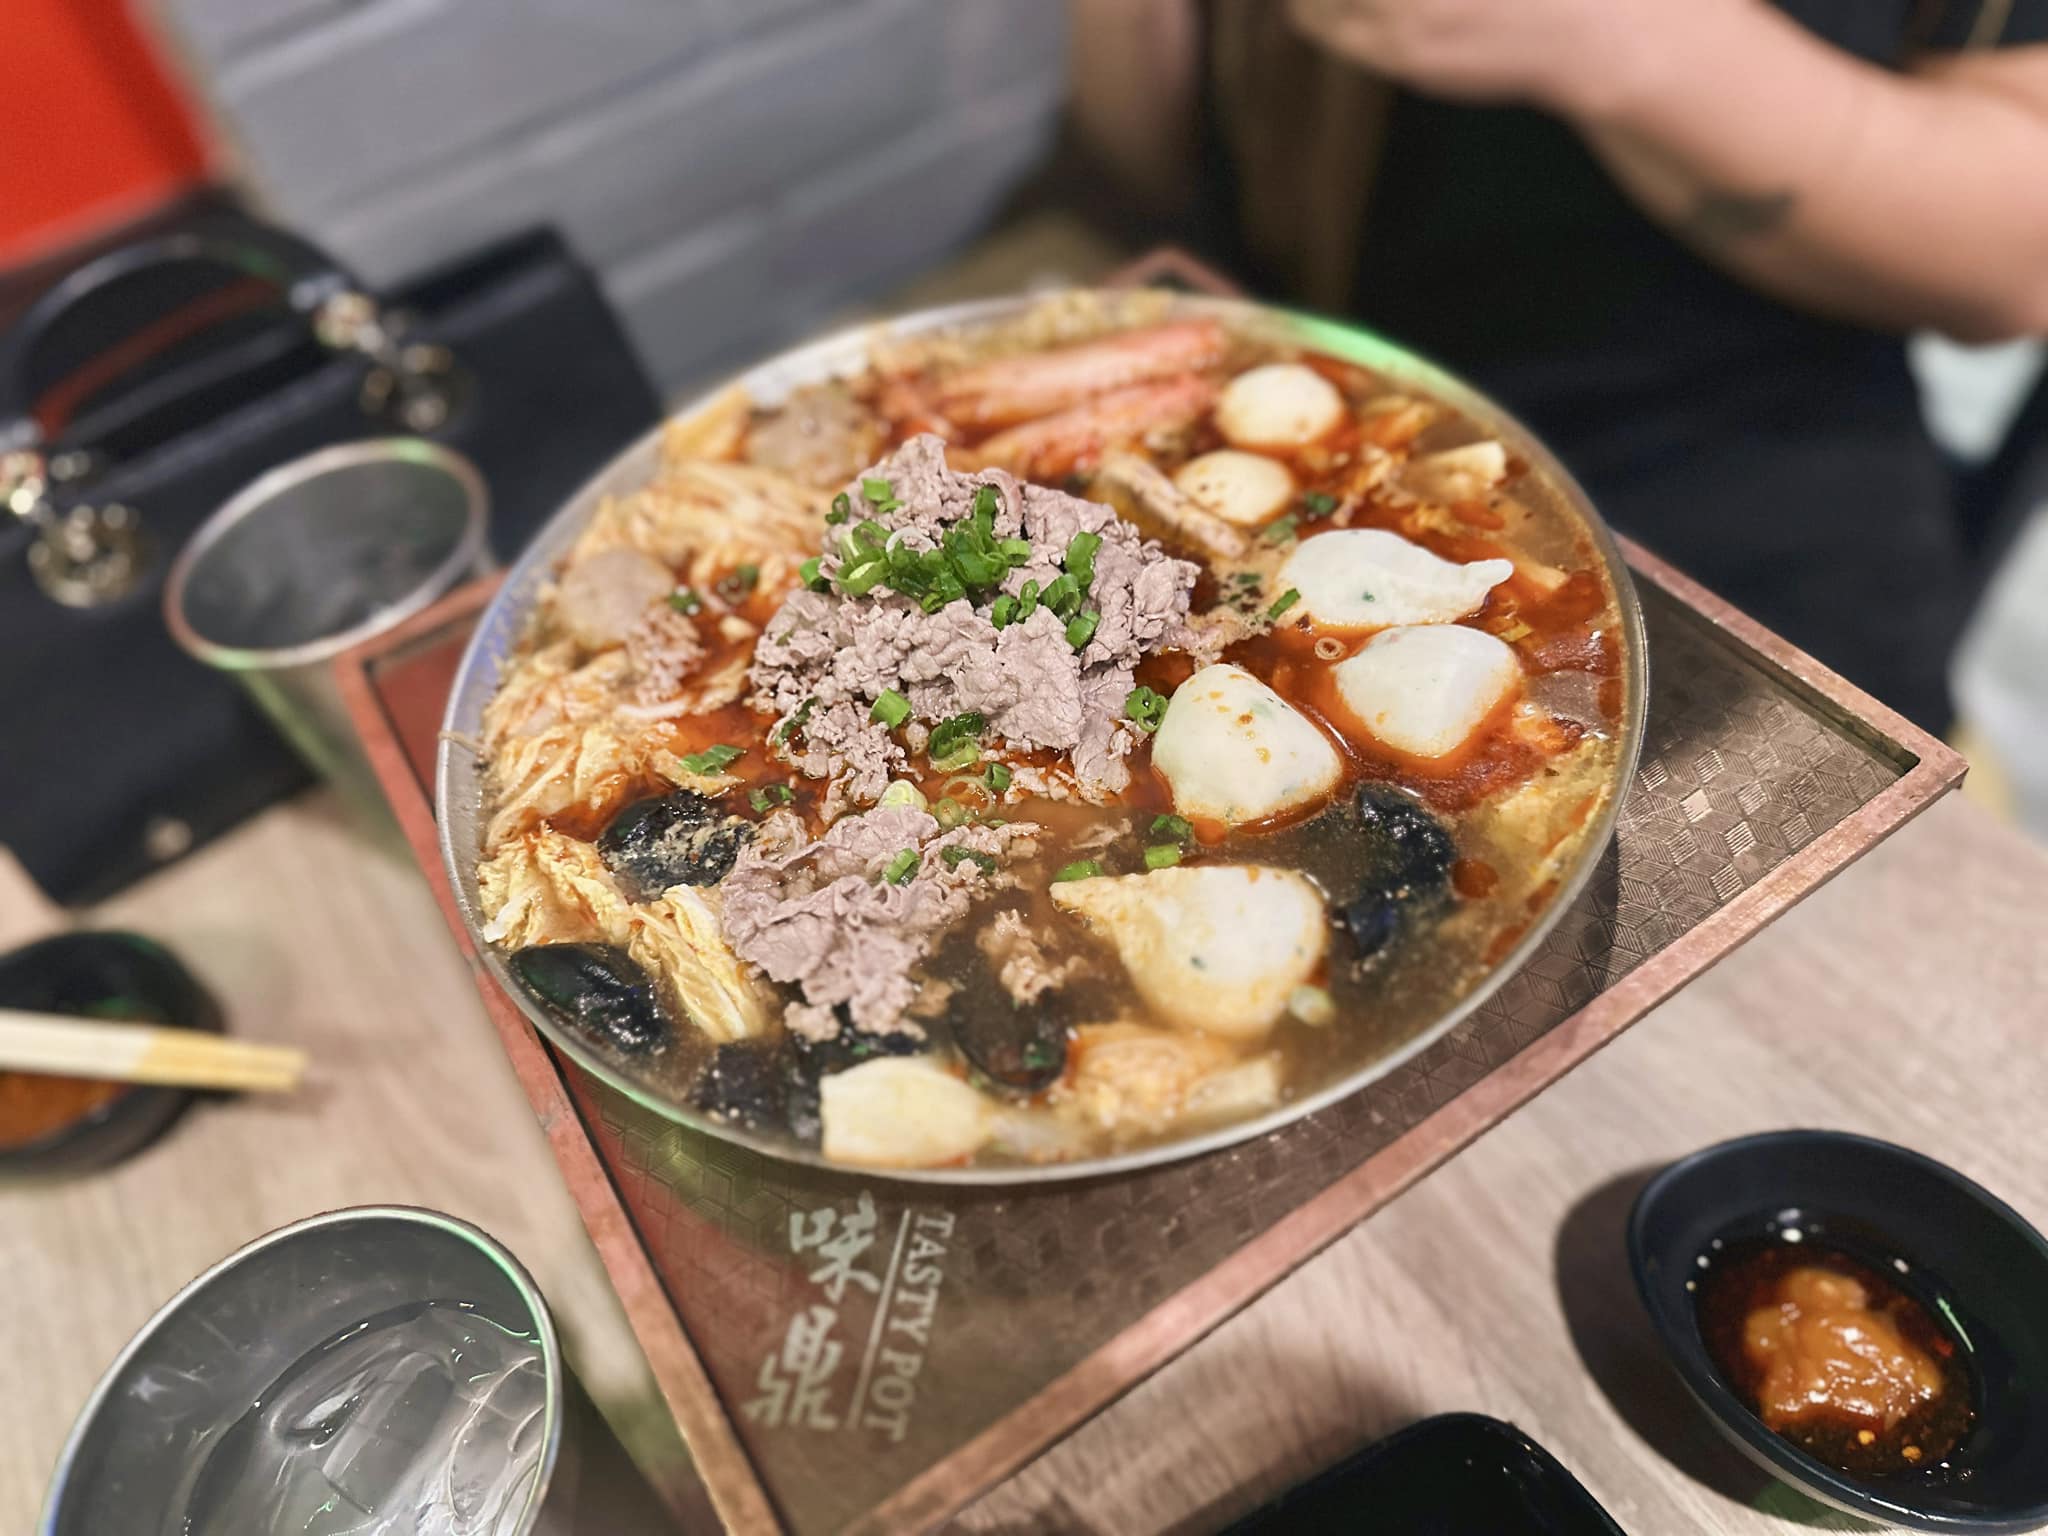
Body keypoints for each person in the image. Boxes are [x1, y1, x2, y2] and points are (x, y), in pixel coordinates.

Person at [1071, 0, 2048, 730]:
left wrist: (1620, 39)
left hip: (1727, 509)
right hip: (1279, 401)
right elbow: (1149, 154)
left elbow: (2016, 257)